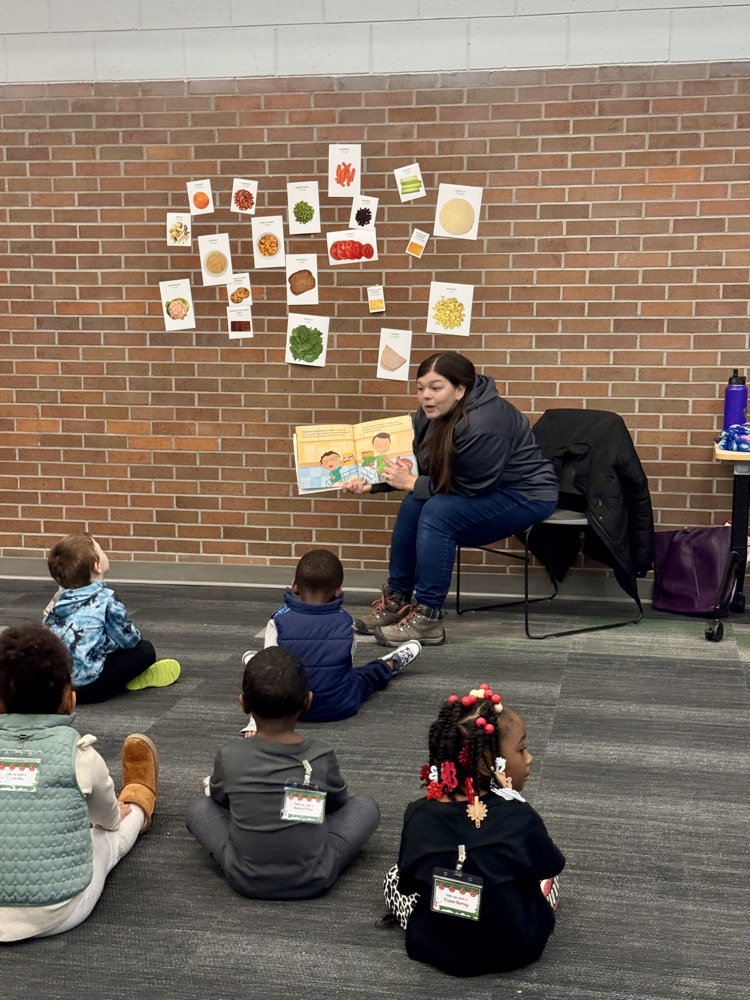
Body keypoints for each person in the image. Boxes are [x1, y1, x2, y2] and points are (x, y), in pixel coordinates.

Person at [343, 351, 558, 646]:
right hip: (484, 487)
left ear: (460, 389)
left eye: (435, 387)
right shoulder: (430, 414)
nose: (425, 396)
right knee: (414, 504)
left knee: (438, 512)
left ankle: (429, 619)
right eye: (420, 388)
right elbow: (419, 469)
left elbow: (473, 486)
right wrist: (374, 483)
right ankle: (398, 601)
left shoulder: (486, 421)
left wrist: (413, 483)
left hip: (527, 494)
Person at [381, 683, 565, 977]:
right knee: (547, 879)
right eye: (522, 748)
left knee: (393, 875)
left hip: (436, 947)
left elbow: (407, 885)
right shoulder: (519, 817)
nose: (529, 758)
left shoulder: (418, 814)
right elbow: (551, 864)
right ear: (485, 763)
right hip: (516, 947)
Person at [0, 624, 159, 942]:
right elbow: (108, 819)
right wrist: (117, 813)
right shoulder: (80, 756)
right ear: (70, 699)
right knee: (106, 838)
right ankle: (142, 801)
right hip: (59, 912)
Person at [185, 647, 381, 900]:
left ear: (243, 703)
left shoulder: (229, 753)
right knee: (366, 805)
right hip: (316, 876)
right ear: (308, 701)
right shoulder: (321, 755)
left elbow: (220, 800)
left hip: (245, 878)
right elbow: (337, 804)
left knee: (199, 807)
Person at [248, 549, 421, 725]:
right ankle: (392, 663)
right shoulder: (346, 621)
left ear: (294, 586)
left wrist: (254, 724)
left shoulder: (278, 620)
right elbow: (345, 665)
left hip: (288, 709)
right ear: (339, 591)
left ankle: (255, 662)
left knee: (269, 670)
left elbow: (270, 673)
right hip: (341, 705)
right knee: (365, 677)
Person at [43, 532, 180, 703]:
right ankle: (130, 679)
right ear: (97, 566)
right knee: (144, 650)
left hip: (57, 687)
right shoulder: (106, 599)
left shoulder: (59, 599)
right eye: (102, 550)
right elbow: (129, 640)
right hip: (89, 688)